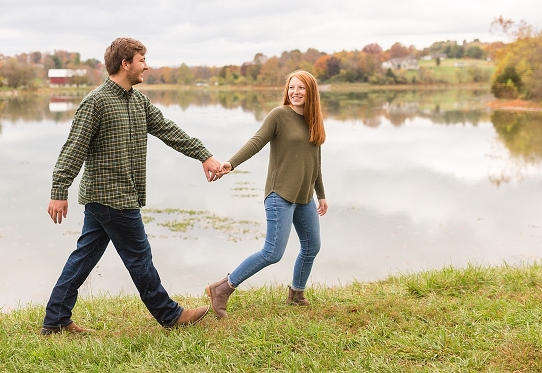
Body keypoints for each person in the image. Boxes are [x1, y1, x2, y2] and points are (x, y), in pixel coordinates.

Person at [41, 37, 223, 335]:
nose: (146, 66)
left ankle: (56, 319)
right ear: (125, 64)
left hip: (119, 196)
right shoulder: (96, 102)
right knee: (139, 257)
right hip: (111, 197)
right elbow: (73, 149)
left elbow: (168, 130)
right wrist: (58, 192)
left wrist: (204, 155)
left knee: (84, 257)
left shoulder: (138, 101)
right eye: (141, 60)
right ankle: (169, 315)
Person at [206, 70, 328, 317]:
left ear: (311, 92)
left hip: (304, 198)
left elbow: (315, 161)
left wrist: (321, 194)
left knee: (312, 246)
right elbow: (256, 141)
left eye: (301, 88)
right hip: (280, 194)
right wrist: (231, 163)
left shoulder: (314, 120)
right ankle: (222, 288)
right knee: (272, 252)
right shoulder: (279, 116)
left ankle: (296, 294)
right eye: (292, 87)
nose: (295, 92)